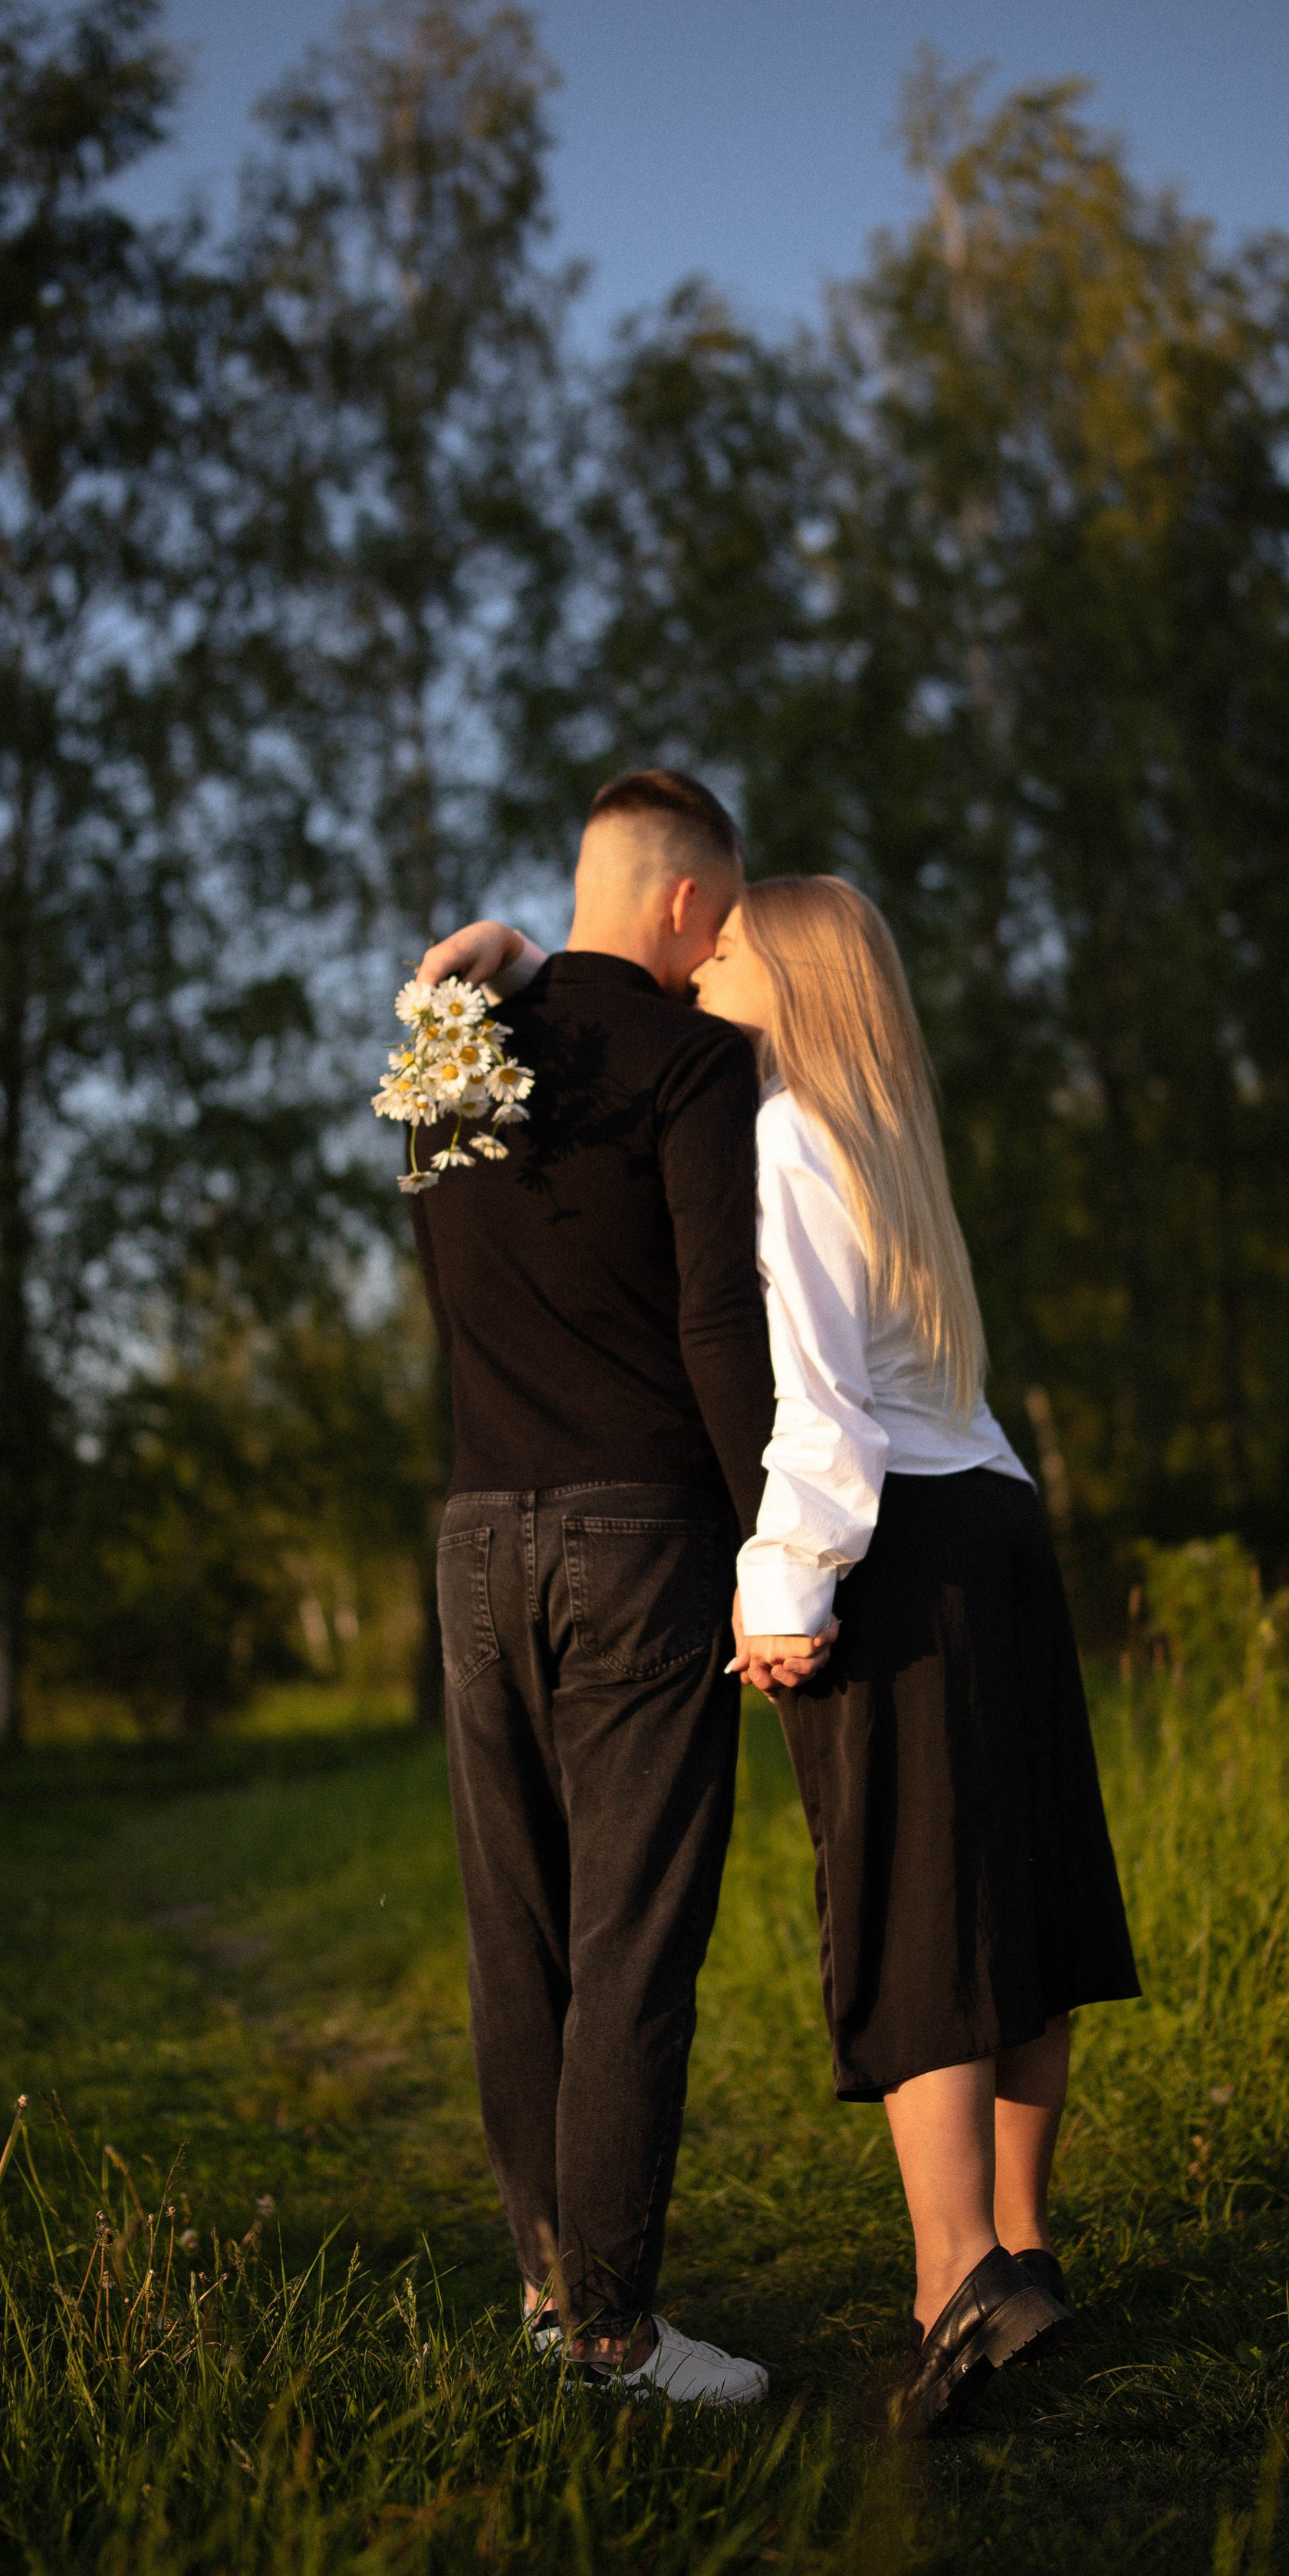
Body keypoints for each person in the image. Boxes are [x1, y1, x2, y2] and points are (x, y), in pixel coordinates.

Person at [434, 873, 1139, 2436]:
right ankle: (1023, 2252)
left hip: (891, 1539)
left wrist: (782, 1586)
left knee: (915, 1913)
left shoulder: (774, 1133)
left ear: (791, 980)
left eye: (728, 956)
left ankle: (950, 2281)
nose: (697, 979)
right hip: (997, 1520)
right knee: (1020, 1910)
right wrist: (524, 955)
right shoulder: (881, 1125)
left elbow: (816, 1403)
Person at [406, 769, 776, 2407]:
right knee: (630, 1939)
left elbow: (440, 1260)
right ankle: (616, 2337)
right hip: (642, 1539)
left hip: (478, 1534)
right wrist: (777, 1535)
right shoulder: (700, 1058)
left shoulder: (456, 1037)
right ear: (688, 905)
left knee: (521, 1937)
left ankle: (555, 2297)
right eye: (722, 924)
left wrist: (466, 958)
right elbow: (717, 1323)